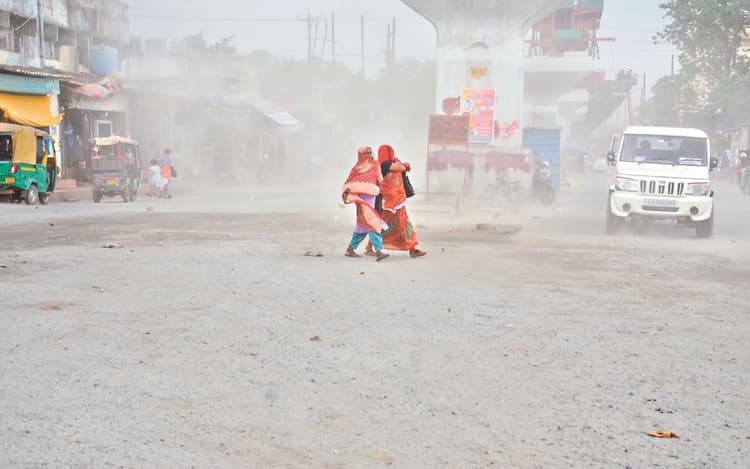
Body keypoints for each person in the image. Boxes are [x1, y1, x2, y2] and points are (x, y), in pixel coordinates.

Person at [365, 144, 425, 258]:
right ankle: (411, 249)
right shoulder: (384, 165)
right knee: (385, 225)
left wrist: (403, 165)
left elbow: (402, 168)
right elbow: (401, 168)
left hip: (395, 202)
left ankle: (411, 248)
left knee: (402, 223)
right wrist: (403, 165)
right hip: (388, 203)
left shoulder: (390, 164)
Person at [342, 146, 389, 262]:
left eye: (369, 153)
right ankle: (379, 252)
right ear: (361, 155)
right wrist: (346, 194)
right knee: (372, 222)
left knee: (362, 226)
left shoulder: (372, 165)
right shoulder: (357, 168)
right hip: (362, 199)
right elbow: (348, 182)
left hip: (370, 197)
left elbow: (379, 179)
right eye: (366, 153)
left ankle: (350, 249)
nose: (369, 155)